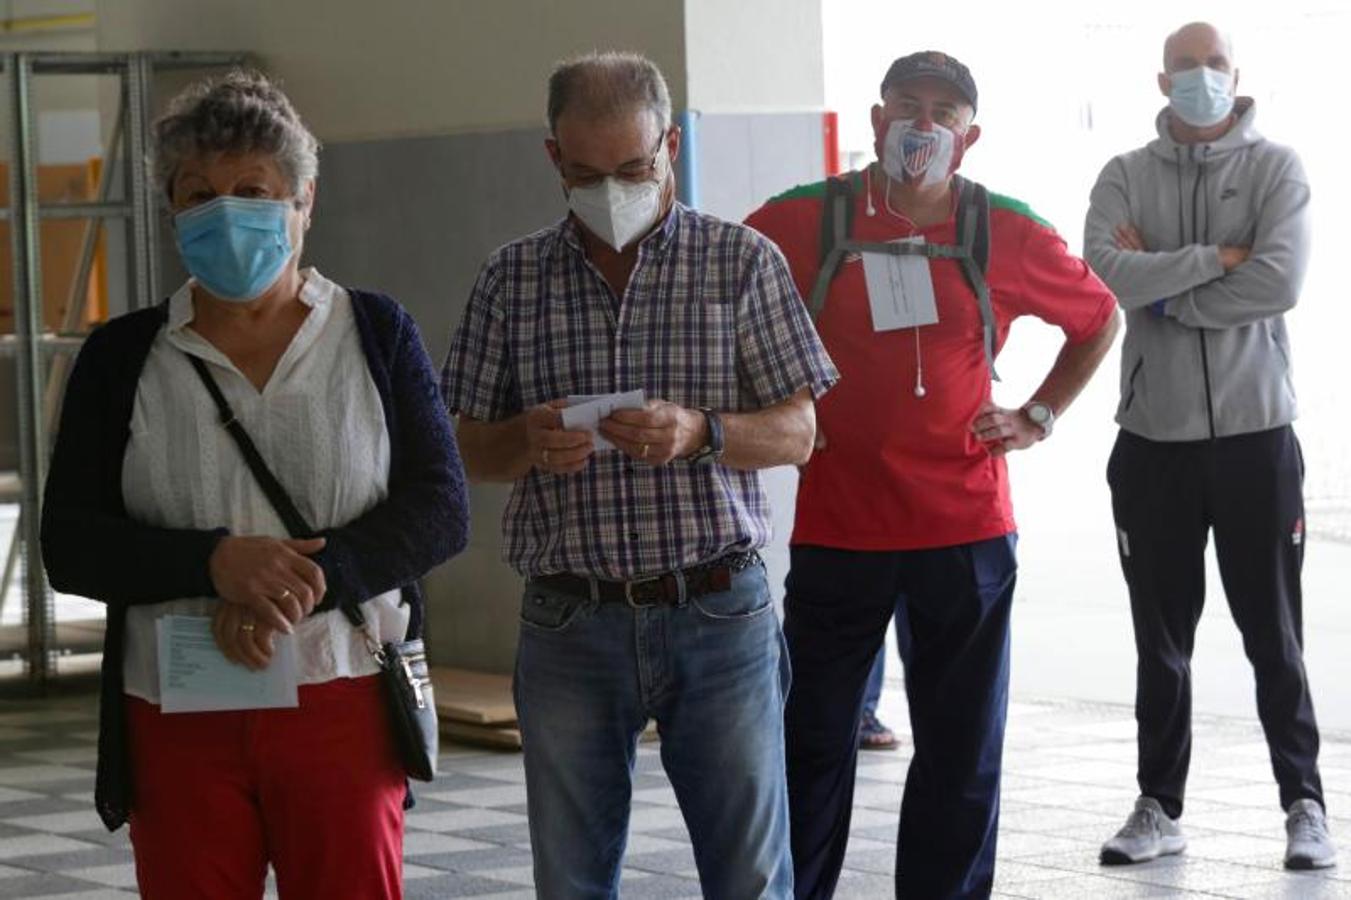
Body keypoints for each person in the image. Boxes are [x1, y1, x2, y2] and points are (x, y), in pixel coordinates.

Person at [40, 71, 469, 900]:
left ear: (303, 202)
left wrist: (295, 587)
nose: (225, 212)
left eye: (253, 190)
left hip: (342, 699)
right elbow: (70, 545)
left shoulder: (375, 333)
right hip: (176, 707)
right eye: (198, 194)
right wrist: (214, 565)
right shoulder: (122, 357)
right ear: (169, 212)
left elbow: (440, 509)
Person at [441, 51, 837, 899]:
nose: (611, 189)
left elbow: (800, 432)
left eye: (633, 166)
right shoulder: (511, 279)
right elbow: (464, 448)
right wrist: (526, 441)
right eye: (585, 172)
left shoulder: (741, 262)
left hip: (717, 608)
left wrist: (703, 431)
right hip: (568, 617)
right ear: (553, 158)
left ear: (672, 144)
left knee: (748, 874)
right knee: (573, 874)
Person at [746, 50, 1120, 898]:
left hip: (965, 531)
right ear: (875, 122)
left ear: (969, 135)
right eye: (906, 107)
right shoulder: (801, 220)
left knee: (959, 752)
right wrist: (774, 411)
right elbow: (722, 289)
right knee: (808, 742)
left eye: (943, 113)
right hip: (839, 528)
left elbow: (1097, 316)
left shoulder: (1005, 227)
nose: (922, 125)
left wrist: (1037, 415)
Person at [1085, 21, 1336, 871]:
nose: (1200, 78)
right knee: (1160, 641)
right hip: (1151, 443)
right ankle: (1157, 806)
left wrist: (1168, 292)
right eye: (1185, 67)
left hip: (1255, 439)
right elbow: (1105, 270)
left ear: (1237, 75)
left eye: (1214, 64)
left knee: (1274, 636)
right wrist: (1213, 260)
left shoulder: (1276, 168)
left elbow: (1280, 281)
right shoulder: (1124, 174)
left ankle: (1304, 804)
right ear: (1161, 82)